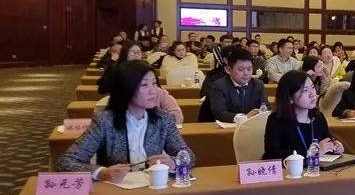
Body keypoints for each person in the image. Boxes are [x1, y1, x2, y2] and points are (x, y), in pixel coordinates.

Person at [56, 60, 194, 181]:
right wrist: (101, 173)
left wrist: (174, 162)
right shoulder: (105, 121)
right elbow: (65, 162)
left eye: (154, 84)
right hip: (115, 190)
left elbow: (189, 156)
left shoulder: (163, 119)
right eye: (144, 85)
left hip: (153, 189)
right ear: (126, 89)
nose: (153, 91)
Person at [263, 70, 343, 161]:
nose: (312, 94)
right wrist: (310, 152)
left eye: (312, 87)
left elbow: (325, 141)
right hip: (289, 168)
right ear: (290, 98)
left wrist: (334, 146)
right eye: (305, 90)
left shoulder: (318, 117)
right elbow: (272, 154)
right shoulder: (276, 120)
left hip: (317, 168)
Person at [207, 47, 269, 123]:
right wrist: (244, 118)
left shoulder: (258, 84)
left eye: (249, 69)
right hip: (228, 127)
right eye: (241, 69)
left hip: (253, 125)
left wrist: (261, 113)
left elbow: (265, 106)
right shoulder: (219, 85)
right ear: (229, 70)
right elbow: (220, 112)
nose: (246, 73)